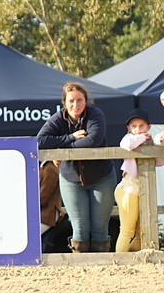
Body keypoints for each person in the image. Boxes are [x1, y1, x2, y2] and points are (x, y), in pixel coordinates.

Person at [36, 82, 118, 252]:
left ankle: (101, 269)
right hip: (70, 179)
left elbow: (92, 141)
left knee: (100, 228)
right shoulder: (58, 118)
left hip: (101, 177)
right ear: (64, 102)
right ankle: (82, 271)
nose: (76, 105)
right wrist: (70, 138)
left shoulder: (95, 115)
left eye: (80, 100)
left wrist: (62, 151)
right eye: (71, 100)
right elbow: (40, 141)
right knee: (79, 228)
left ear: (86, 100)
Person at [114, 107, 164, 252]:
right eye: (134, 126)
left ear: (149, 126)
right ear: (129, 128)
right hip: (128, 190)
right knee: (127, 231)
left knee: (141, 233)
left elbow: (160, 160)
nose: (138, 129)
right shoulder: (129, 138)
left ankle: (130, 261)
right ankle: (119, 263)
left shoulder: (149, 141)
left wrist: (159, 140)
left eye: (141, 126)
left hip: (141, 190)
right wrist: (144, 137)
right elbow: (127, 145)